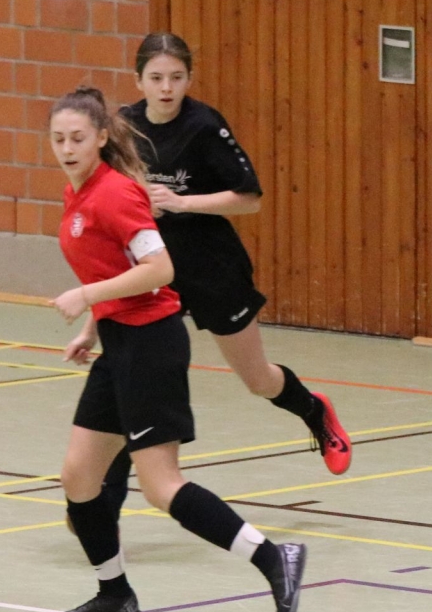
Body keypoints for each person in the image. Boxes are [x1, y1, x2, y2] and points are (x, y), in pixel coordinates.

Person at [45, 85, 307, 612]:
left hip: (151, 345)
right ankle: (115, 595)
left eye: (77, 138)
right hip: (120, 341)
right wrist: (94, 327)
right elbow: (114, 267)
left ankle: (273, 557)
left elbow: (160, 270)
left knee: (160, 484)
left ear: (100, 138)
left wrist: (86, 298)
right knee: (79, 475)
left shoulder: (115, 193)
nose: (67, 148)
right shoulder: (78, 193)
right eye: (58, 138)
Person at [87, 32, 350, 525]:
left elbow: (249, 198)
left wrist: (181, 202)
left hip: (210, 264)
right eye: (156, 78)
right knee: (134, 377)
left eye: (177, 77)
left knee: (257, 379)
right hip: (153, 269)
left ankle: (314, 411)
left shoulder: (205, 126)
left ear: (189, 78)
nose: (167, 88)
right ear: (138, 80)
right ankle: (106, 499)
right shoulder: (122, 129)